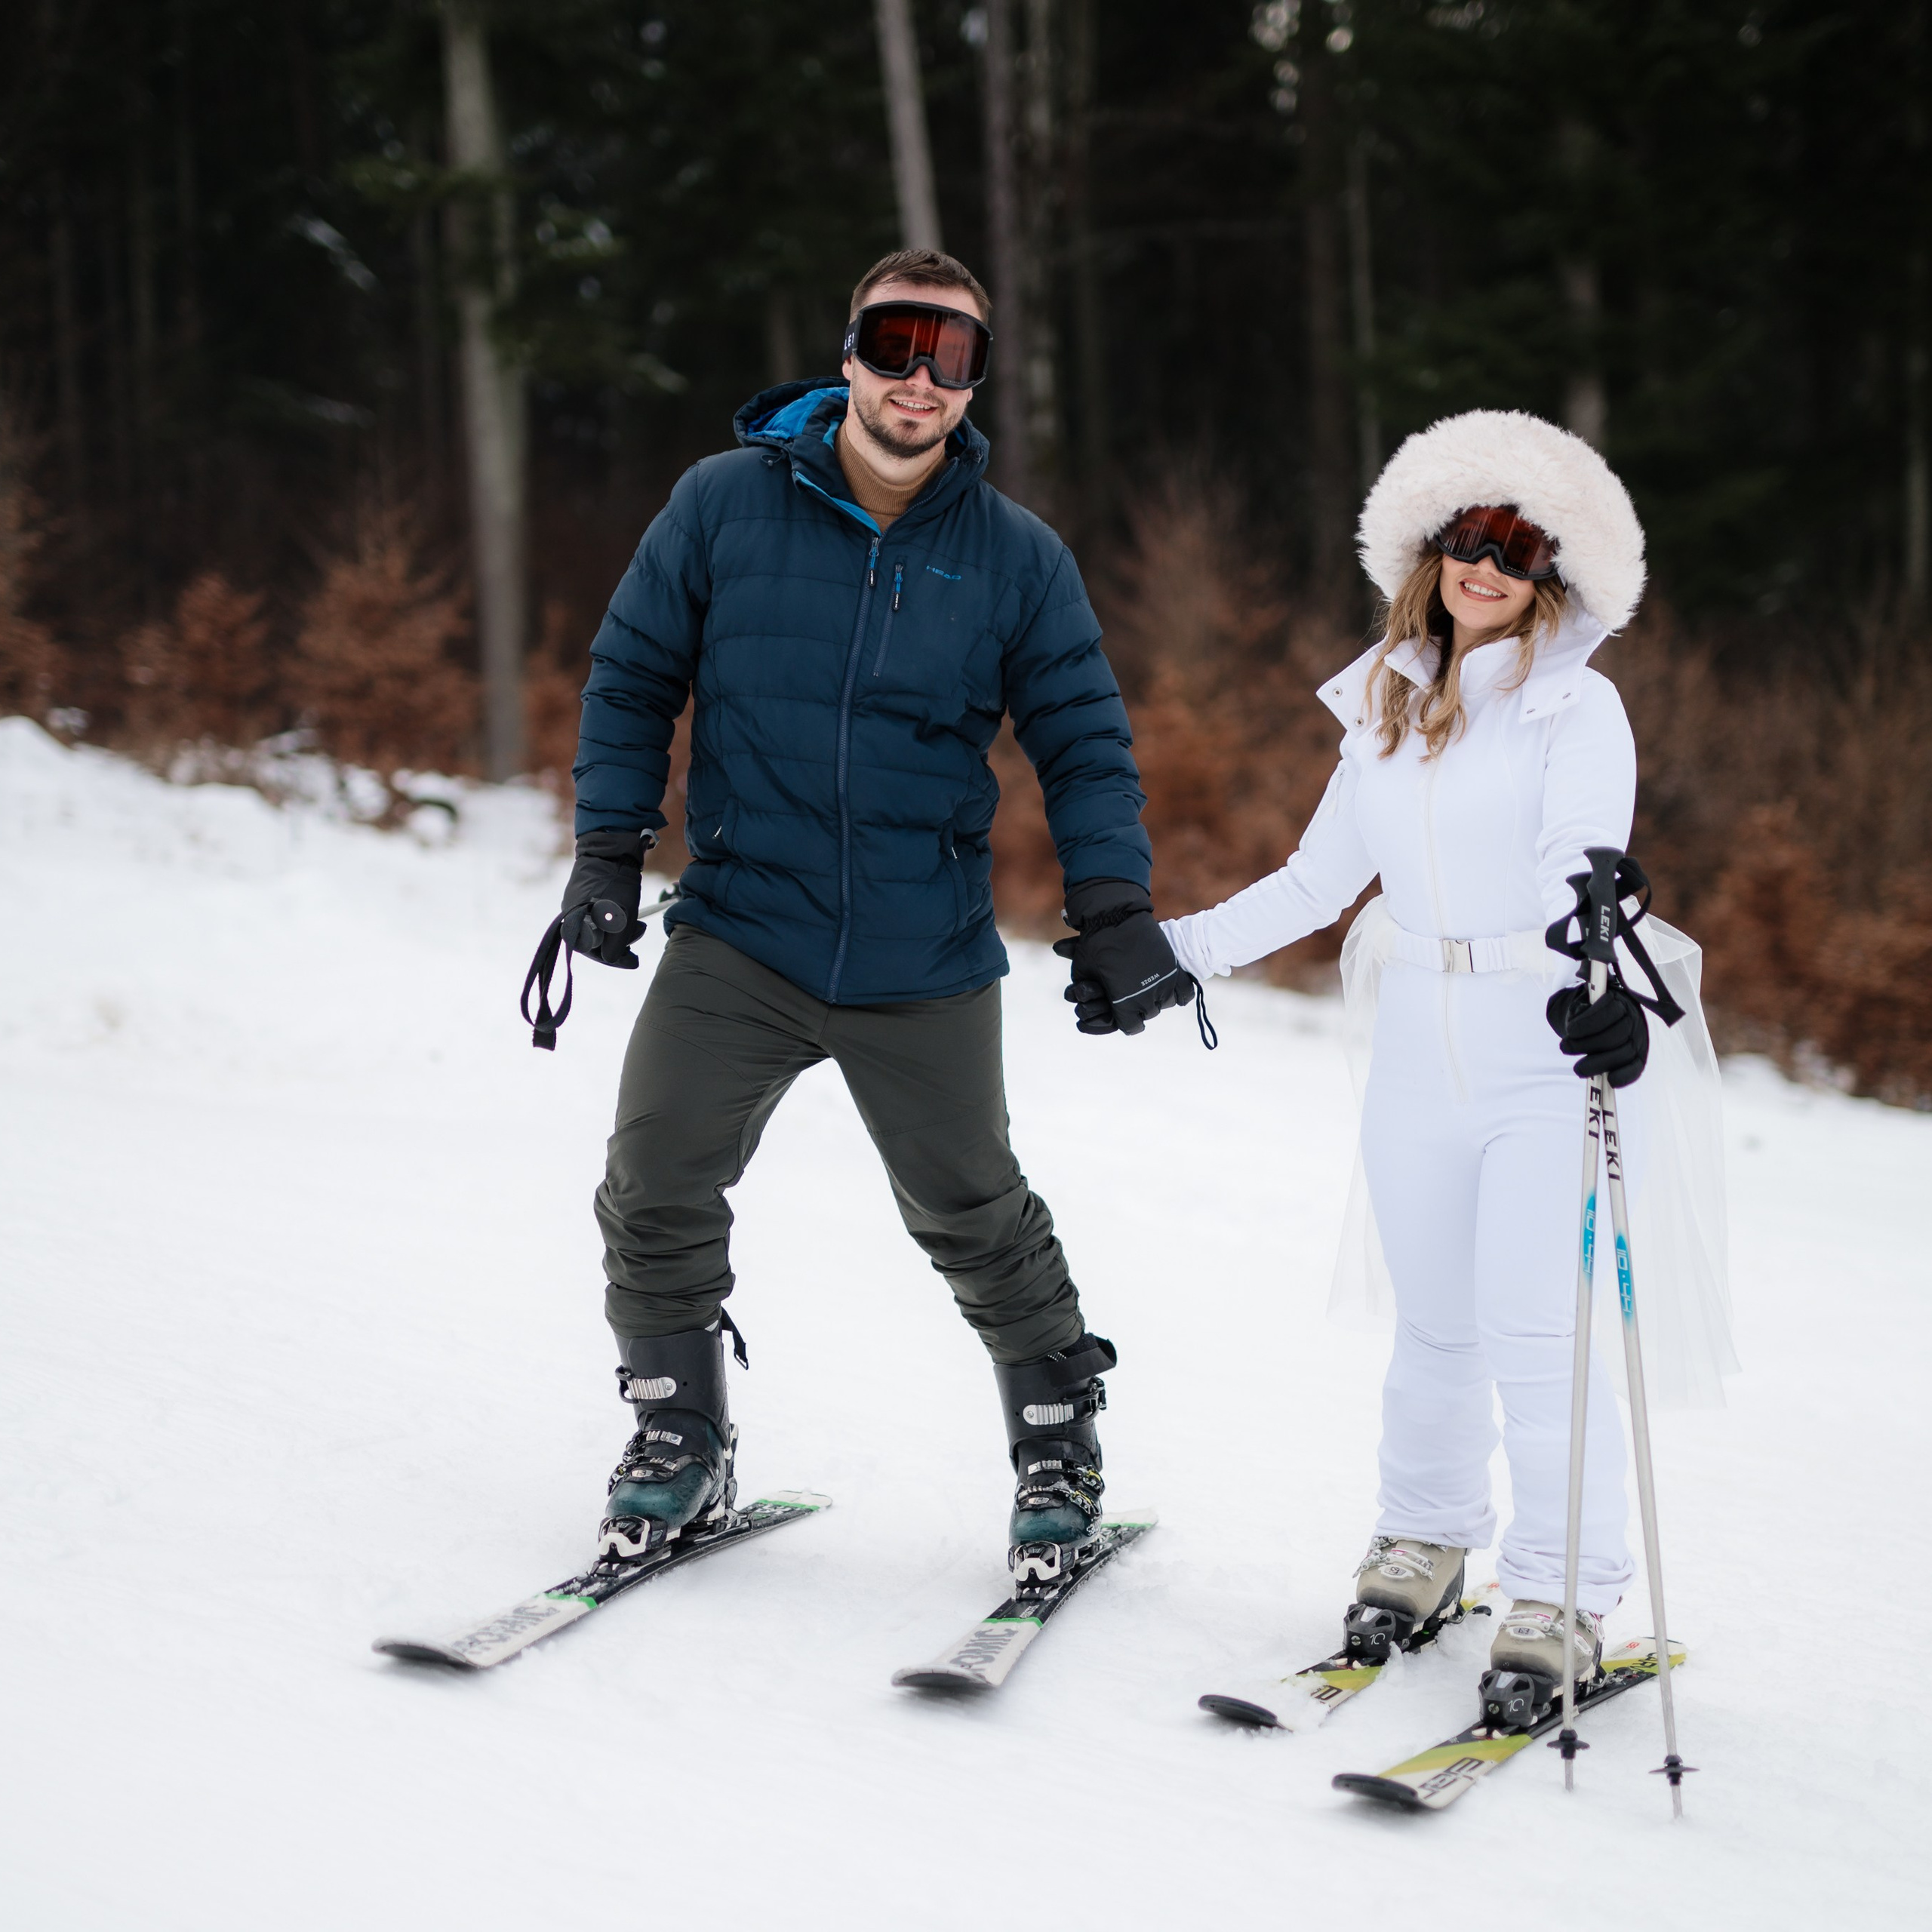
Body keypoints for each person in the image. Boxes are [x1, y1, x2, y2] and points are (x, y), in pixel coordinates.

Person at [552, 248, 1197, 1584]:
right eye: (898, 342)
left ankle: (1058, 1446)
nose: (921, 377)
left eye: (952, 353)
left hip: (922, 947)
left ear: (975, 380)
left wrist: (1115, 906)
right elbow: (632, 675)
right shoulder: (722, 504)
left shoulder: (1016, 557)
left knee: (974, 1211)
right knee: (655, 1180)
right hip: (744, 926)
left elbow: (1084, 744)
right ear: (848, 354)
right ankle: (679, 1436)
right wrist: (608, 851)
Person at [1162, 410, 1689, 1700]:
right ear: (1430, 547)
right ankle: (1427, 1536)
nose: (1487, 564)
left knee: (1536, 1330)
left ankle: (1563, 1588)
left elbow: (1582, 866)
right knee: (1436, 1327)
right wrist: (1173, 952)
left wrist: (1599, 977)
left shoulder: (1577, 707)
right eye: (1468, 535)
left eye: (1519, 544)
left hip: (1538, 1052)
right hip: (1413, 1046)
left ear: (1554, 570)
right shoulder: (1388, 705)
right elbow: (1317, 880)